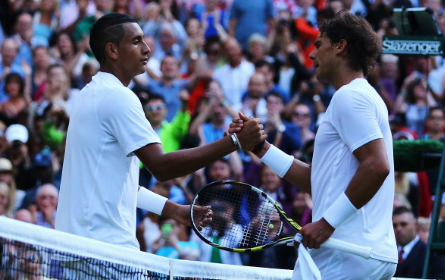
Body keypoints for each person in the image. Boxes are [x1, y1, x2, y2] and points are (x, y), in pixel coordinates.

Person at [55, 11, 265, 263]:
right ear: (112, 50)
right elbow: (161, 166)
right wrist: (234, 143)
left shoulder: (87, 95)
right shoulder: (118, 97)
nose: (146, 49)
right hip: (105, 252)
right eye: (136, 42)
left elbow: (118, 185)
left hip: (76, 250)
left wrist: (175, 210)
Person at [230, 10, 397, 279]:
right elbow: (318, 181)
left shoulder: (350, 96)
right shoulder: (360, 95)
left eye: (318, 45)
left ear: (340, 46)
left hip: (346, 253)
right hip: (360, 253)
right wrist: (261, 148)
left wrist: (326, 224)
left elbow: (377, 166)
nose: (311, 54)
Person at [393, 206, 445, 279]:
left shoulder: (432, 255)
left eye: (403, 224)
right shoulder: (388, 252)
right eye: (394, 225)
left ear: (415, 225)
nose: (398, 229)